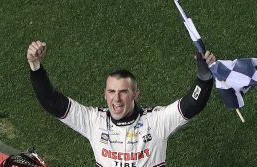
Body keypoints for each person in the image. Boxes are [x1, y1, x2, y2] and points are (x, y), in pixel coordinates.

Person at [27, 40, 215, 167]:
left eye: (123, 92)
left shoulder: (155, 122)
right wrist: (35, 66)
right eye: (111, 92)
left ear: (136, 94)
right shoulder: (94, 122)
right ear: (105, 94)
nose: (116, 99)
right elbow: (53, 103)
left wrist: (204, 78)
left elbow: (191, 104)